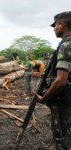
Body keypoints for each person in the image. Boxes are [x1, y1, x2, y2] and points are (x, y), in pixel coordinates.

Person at [35, 11, 71, 149]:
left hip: (64, 102)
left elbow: (61, 80)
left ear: (61, 24)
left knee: (62, 136)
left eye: (55, 25)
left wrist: (44, 98)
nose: (54, 28)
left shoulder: (65, 46)